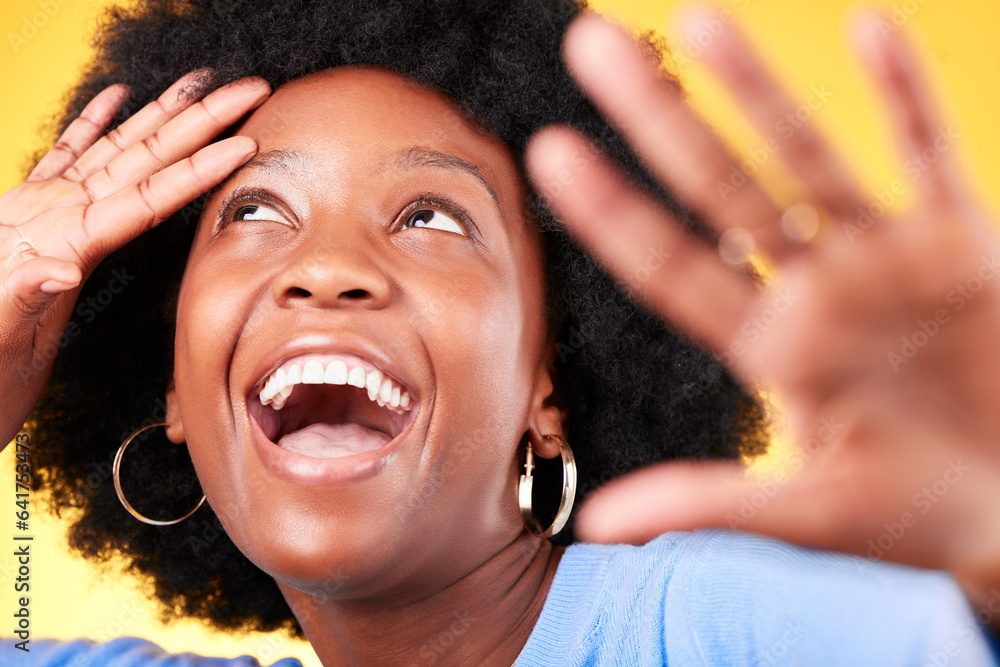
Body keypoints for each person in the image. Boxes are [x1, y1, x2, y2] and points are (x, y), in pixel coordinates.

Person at [1, 0, 999, 664]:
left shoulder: (709, 626)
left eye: (431, 216)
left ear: (546, 396)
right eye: (254, 212)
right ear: (171, 389)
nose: (326, 267)